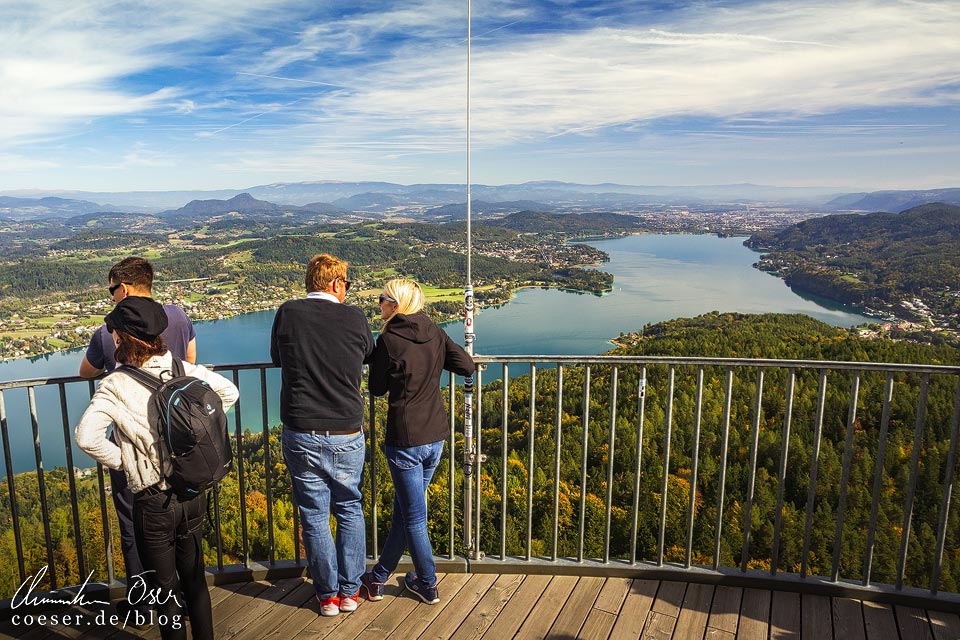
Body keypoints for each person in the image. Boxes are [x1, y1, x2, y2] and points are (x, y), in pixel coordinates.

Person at [75, 296, 239, 640]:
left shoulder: (116, 385)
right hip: (191, 491)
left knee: (164, 591)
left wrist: (128, 461)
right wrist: (191, 440)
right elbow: (229, 393)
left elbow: (86, 437)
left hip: (153, 501)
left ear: (123, 338)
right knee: (194, 579)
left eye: (114, 331)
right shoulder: (181, 368)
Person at [78, 256, 197, 616]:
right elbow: (191, 361)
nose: (111, 295)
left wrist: (123, 459)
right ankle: (188, 595)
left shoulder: (108, 332)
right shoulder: (177, 316)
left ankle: (146, 603)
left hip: (136, 451)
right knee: (184, 531)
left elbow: (87, 371)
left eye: (112, 289)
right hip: (181, 445)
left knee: (135, 526)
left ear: (124, 289)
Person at [270, 253, 374, 617]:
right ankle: (350, 591)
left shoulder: (288, 312)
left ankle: (326, 595)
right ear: (335, 283)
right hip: (346, 430)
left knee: (313, 514)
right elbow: (368, 355)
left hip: (301, 430)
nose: (346, 291)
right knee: (349, 508)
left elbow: (277, 358)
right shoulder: (355, 317)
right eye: (345, 284)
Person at [361, 278, 475, 605]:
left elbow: (377, 389)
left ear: (395, 305)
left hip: (405, 441)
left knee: (413, 517)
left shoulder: (389, 340)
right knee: (405, 511)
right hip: (434, 437)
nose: (378, 303)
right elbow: (466, 365)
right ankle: (379, 577)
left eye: (382, 298)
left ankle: (427, 583)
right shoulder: (434, 331)